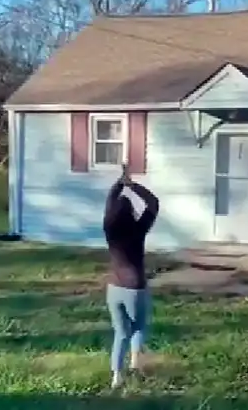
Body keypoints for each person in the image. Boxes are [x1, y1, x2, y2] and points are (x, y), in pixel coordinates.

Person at [102, 163, 160, 389]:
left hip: (113, 288)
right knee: (138, 327)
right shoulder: (138, 229)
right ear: (132, 214)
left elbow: (110, 202)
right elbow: (153, 203)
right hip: (135, 287)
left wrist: (119, 183)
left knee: (120, 332)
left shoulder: (109, 227)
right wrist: (132, 185)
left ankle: (117, 376)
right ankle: (135, 364)